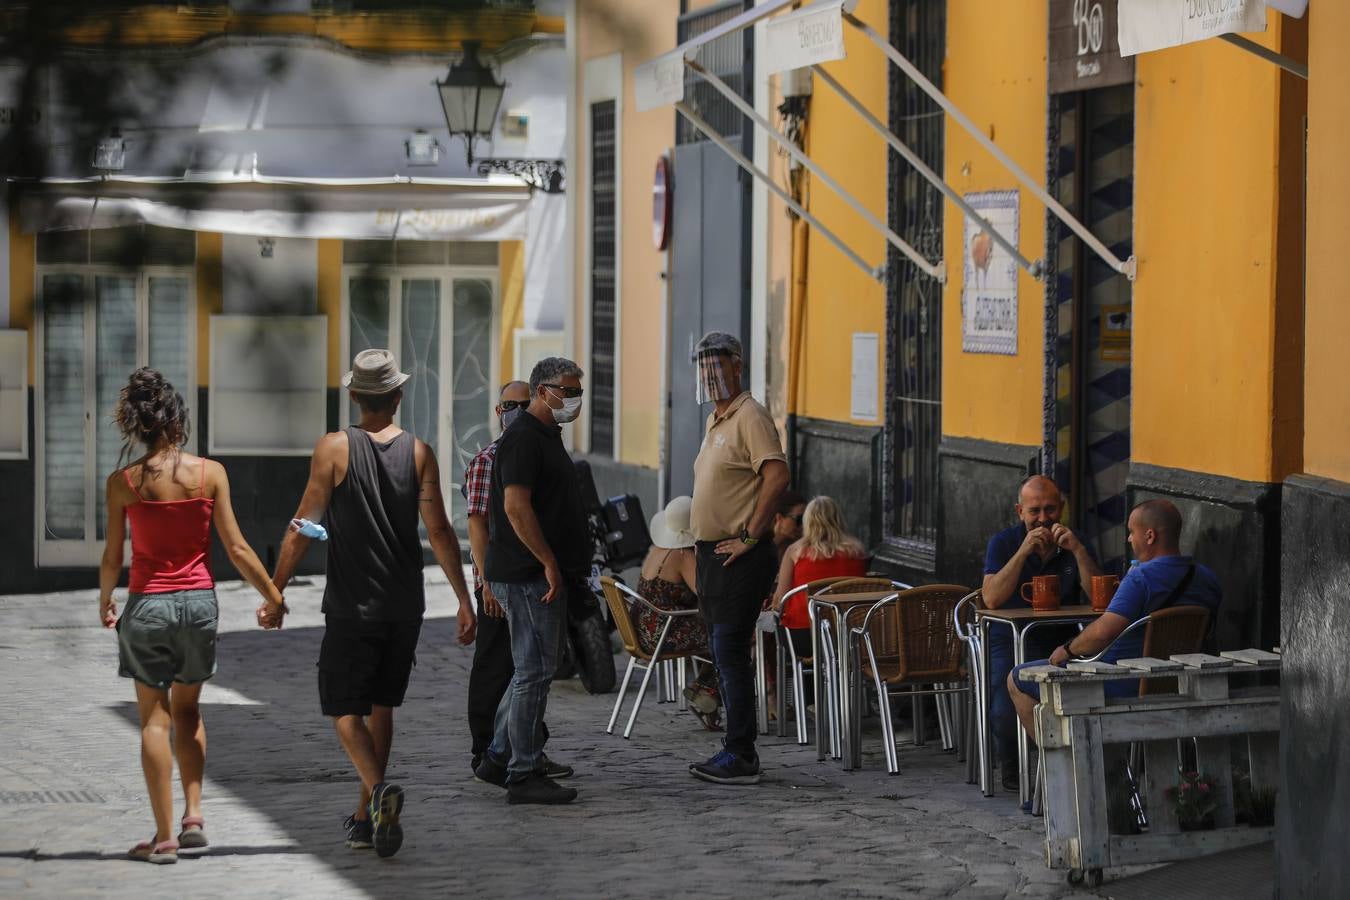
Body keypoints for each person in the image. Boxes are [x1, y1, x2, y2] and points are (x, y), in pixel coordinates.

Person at [269, 349, 475, 858]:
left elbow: (301, 525)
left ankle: (380, 792)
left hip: (351, 604)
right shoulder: (420, 452)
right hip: (404, 604)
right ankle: (365, 818)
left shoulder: (333, 449)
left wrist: (275, 590)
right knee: (382, 707)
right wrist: (464, 599)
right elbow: (440, 530)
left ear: (355, 396)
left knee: (343, 709)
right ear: (399, 397)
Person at [99, 367, 287, 865]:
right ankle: (194, 815)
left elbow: (112, 557)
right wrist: (274, 596)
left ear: (137, 426)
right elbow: (239, 548)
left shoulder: (123, 483)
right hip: (199, 606)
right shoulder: (211, 474)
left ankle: (162, 839)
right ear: (177, 421)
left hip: (146, 605)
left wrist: (104, 600)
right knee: (189, 712)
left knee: (153, 721)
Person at [473, 357, 591, 805]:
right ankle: (522, 772)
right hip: (527, 576)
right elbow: (516, 508)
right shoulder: (523, 438)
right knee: (534, 673)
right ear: (543, 391)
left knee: (530, 671)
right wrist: (548, 561)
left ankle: (499, 756)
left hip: (533, 572)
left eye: (579, 389)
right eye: (568, 389)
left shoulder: (544, 435)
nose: (574, 398)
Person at [1009, 499, 1222, 736]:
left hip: (1122, 681)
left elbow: (1102, 633)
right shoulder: (1207, 578)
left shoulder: (1141, 577)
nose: (1129, 539)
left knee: (1016, 677)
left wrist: (1068, 649)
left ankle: (1060, 759)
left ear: (1149, 536)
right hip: (1184, 681)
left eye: (1132, 532)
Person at [687, 332, 789, 785]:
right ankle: (735, 749)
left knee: (730, 650)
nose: (710, 376)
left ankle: (741, 752)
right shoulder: (716, 420)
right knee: (721, 650)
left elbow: (777, 474)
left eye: (717, 365)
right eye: (704, 367)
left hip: (739, 558)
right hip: (712, 555)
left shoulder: (750, 415)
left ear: (737, 366)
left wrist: (750, 535)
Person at [463, 381, 570, 780]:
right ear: (498, 410)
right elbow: (478, 527)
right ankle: (490, 750)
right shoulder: (488, 459)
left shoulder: (538, 446)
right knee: (499, 668)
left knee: (529, 670)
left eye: (524, 404)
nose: (518, 410)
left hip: (529, 578)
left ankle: (522, 748)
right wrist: (485, 582)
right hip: (502, 579)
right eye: (512, 404)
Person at [982, 474, 1101, 792]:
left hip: (1064, 637)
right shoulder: (1003, 542)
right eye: (1034, 511)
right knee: (1003, 703)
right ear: (1020, 511)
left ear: (1061, 508)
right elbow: (991, 598)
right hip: (1009, 634)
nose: (1043, 518)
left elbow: (1099, 598)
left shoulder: (1076, 541)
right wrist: (1022, 553)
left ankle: (1067, 764)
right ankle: (1012, 762)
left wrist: (1077, 550)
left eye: (1050, 509)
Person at [638, 496, 722, 730]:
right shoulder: (683, 556)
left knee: (718, 632)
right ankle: (705, 690)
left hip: (645, 630)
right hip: (666, 633)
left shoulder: (658, 550)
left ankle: (705, 692)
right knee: (730, 635)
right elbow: (705, 593)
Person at [770, 496, 868, 670]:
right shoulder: (857, 550)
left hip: (804, 633)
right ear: (838, 519)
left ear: (808, 522)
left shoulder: (795, 551)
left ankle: (801, 693)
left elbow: (780, 600)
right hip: (849, 633)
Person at [770, 490, 808, 559]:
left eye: (806, 520)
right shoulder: (758, 546)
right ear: (779, 518)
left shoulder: (804, 549)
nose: (803, 526)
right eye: (799, 519)